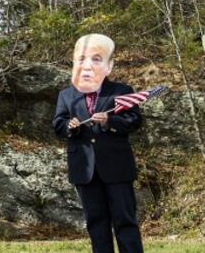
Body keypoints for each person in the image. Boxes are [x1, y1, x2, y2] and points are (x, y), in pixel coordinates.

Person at [52, 33, 144, 253]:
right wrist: (69, 126)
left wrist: (109, 121)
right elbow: (58, 124)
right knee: (96, 223)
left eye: (96, 59)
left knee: (125, 221)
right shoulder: (66, 95)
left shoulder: (122, 91)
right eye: (82, 59)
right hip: (85, 169)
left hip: (117, 168)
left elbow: (134, 121)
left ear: (108, 66)